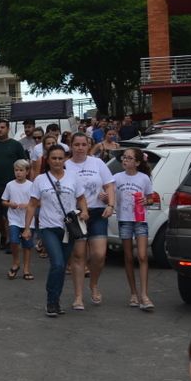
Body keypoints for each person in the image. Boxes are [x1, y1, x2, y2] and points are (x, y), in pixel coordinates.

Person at [22, 144, 89, 318]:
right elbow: (32, 204)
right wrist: (27, 227)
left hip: (68, 229)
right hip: (48, 227)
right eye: (54, 158)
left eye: (60, 158)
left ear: (65, 159)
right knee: (58, 264)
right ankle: (51, 301)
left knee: (60, 267)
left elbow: (81, 198)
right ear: (48, 160)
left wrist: (85, 211)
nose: (57, 161)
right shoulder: (40, 180)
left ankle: (56, 301)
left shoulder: (73, 178)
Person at [65, 132, 115, 310]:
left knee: (99, 255)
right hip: (76, 215)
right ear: (71, 146)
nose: (80, 148)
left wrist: (110, 204)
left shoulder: (97, 163)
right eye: (76, 145)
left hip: (98, 212)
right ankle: (78, 296)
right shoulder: (65, 166)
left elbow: (109, 184)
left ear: (88, 146)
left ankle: (93, 284)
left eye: (83, 145)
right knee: (78, 257)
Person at [114, 148, 155, 310]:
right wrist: (105, 197)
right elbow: (109, 194)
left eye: (129, 158)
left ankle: (144, 294)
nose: (125, 160)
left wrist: (146, 201)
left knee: (143, 256)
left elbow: (151, 198)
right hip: (124, 220)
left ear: (137, 163)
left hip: (140, 220)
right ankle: (133, 293)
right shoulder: (116, 178)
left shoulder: (144, 178)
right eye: (124, 158)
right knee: (129, 256)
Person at [0, 118, 28, 254]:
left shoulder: (16, 145)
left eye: (2, 127)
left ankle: (10, 239)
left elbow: (24, 164)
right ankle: (4, 234)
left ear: (8, 129)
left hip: (12, 184)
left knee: (9, 214)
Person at [2, 159, 35, 280]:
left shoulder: (31, 185)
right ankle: (16, 262)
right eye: (16, 170)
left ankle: (26, 268)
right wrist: (10, 204)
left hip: (28, 220)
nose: (18, 173)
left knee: (27, 245)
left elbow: (37, 202)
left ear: (27, 172)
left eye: (21, 170)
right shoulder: (10, 185)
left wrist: (27, 205)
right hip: (14, 219)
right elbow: (4, 201)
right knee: (14, 241)